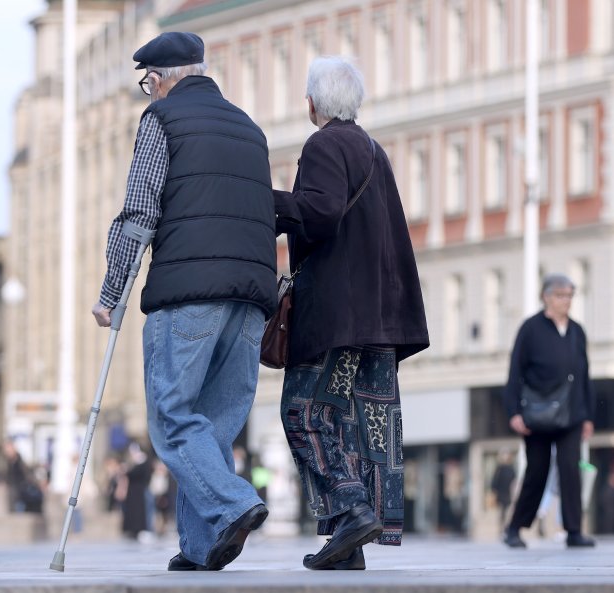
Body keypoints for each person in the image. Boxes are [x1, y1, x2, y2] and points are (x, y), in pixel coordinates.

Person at [91, 32, 277, 571]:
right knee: (213, 427)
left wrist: (111, 291)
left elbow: (139, 212)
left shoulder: (162, 121)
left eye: (147, 82)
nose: (148, 94)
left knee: (172, 417)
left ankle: (235, 502)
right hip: (250, 298)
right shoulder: (250, 127)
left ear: (162, 77)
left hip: (187, 294)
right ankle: (200, 549)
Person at [274, 56, 429, 571]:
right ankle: (349, 544)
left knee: (304, 411)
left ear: (313, 102)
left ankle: (349, 506)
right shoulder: (372, 148)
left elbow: (319, 213)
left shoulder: (323, 144)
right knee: (359, 424)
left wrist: (266, 201)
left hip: (338, 314)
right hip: (381, 316)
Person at [501, 274, 596, 549]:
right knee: (537, 471)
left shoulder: (577, 331)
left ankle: (574, 531)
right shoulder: (530, 329)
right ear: (546, 296)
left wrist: (588, 416)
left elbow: (585, 375)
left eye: (569, 296)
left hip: (572, 413)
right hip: (538, 414)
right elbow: (515, 372)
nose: (566, 301)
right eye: (560, 295)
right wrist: (514, 412)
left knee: (571, 471)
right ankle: (515, 528)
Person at [490, 451, 517, 529]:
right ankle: (501, 526)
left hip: (508, 492)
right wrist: (494, 490)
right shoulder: (499, 468)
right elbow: (495, 480)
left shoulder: (511, 468)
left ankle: (506, 526)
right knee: (502, 510)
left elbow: (514, 480)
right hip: (501, 492)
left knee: (508, 510)